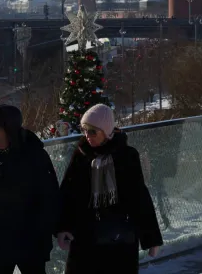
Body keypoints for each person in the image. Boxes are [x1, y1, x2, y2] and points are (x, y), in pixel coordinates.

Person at [56, 104, 163, 274]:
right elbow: (68, 192)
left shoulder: (126, 156)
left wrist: (151, 238)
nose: (87, 135)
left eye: (93, 131)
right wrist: (63, 227)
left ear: (106, 131)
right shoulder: (82, 155)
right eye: (84, 130)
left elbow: (139, 196)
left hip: (120, 237)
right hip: (85, 235)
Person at [0, 104, 61, 274]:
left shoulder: (34, 155)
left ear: (10, 129)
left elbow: (50, 196)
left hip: (30, 243)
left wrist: (48, 232)